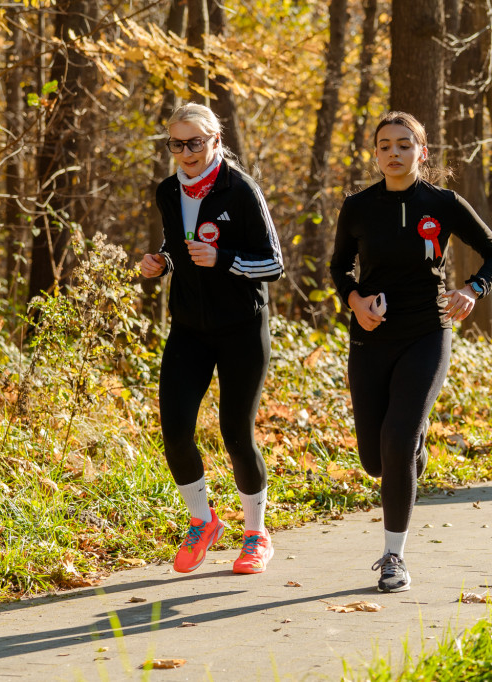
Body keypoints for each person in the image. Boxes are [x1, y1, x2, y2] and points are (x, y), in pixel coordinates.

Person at [329, 111, 492, 593]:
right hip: (370, 336)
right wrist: (355, 301)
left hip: (428, 331)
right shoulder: (358, 206)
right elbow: (339, 268)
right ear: (375, 154)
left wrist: (472, 289)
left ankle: (393, 557)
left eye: (404, 145)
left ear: (421, 153)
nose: (394, 152)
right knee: (376, 458)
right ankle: (413, 454)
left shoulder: (443, 203)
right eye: (385, 145)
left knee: (398, 434)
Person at [139, 103, 283, 575]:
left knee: (235, 434)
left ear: (215, 140)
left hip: (242, 328)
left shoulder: (241, 190)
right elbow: (179, 246)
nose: (186, 152)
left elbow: (273, 264)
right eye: (176, 144)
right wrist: (162, 262)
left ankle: (256, 534)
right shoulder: (167, 191)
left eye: (195, 142)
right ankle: (203, 522)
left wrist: (221, 259)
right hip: (189, 329)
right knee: (175, 433)